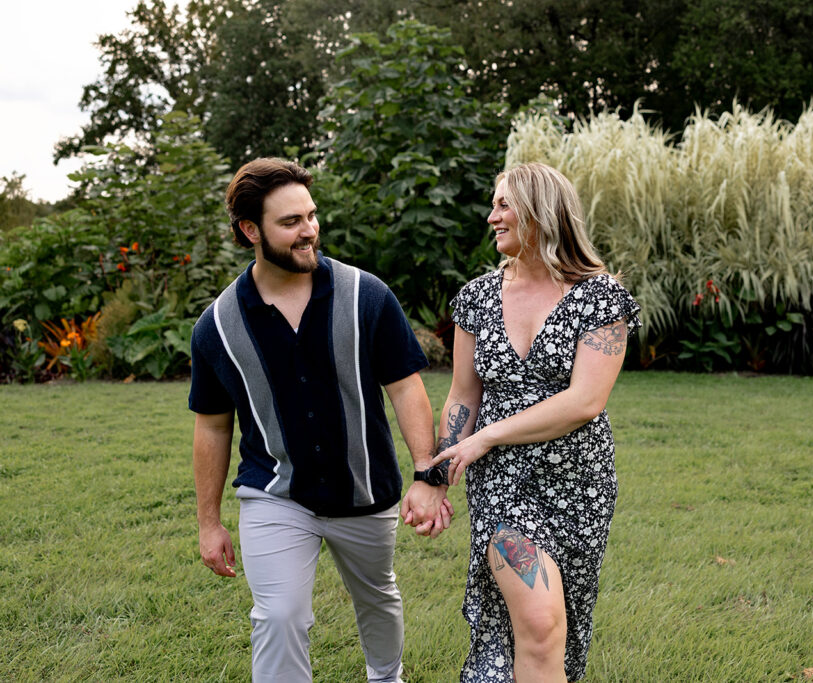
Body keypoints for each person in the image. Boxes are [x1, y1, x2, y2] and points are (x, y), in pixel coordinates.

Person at [189, 157, 453, 683]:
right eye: (290, 222)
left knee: (377, 597)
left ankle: (386, 676)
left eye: (311, 215)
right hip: (274, 492)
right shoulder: (217, 325)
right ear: (250, 230)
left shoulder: (368, 296)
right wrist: (209, 522)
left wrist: (427, 473)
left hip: (365, 488)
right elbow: (213, 426)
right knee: (278, 616)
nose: (309, 229)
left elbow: (405, 388)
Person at [425, 162, 640, 682]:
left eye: (503, 205)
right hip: (502, 485)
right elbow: (462, 396)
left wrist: (488, 435)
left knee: (560, 627)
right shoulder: (476, 299)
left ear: (542, 213)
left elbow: (585, 401)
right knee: (541, 621)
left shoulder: (600, 297)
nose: (491, 216)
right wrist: (434, 478)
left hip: (581, 484)